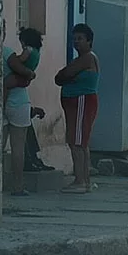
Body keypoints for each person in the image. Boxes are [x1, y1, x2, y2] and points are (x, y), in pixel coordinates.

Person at [55, 23, 100, 194]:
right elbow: (62, 77)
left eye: (80, 39)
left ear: (89, 41)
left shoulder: (87, 58)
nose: (76, 42)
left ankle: (79, 180)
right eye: (74, 39)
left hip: (81, 101)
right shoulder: (81, 59)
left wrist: (68, 77)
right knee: (80, 142)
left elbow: (61, 76)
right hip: (76, 103)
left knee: (77, 142)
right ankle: (85, 180)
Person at [3, 28, 43, 197]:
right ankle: (17, 186)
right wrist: (30, 74)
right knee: (18, 148)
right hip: (19, 103)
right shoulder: (7, 52)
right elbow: (23, 69)